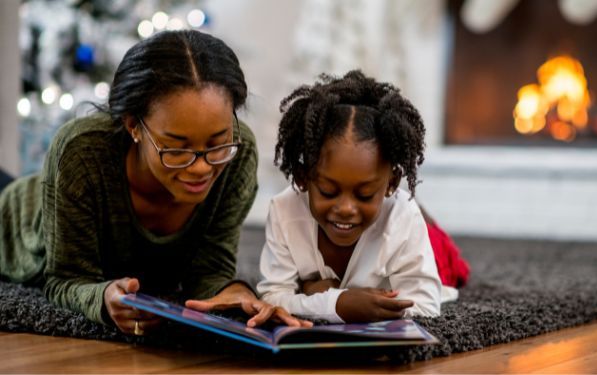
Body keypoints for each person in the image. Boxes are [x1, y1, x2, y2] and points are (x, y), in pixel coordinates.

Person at [0, 30, 310, 336]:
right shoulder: (81, 151)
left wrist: (237, 294)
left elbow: (210, 270)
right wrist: (103, 298)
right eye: (176, 148)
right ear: (133, 125)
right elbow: (65, 279)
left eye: (218, 143)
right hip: (14, 222)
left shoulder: (237, 155)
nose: (202, 167)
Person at [257, 70, 467, 323]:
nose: (346, 208)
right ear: (303, 178)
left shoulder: (402, 218)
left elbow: (425, 307)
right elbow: (271, 299)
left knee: (450, 266)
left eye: (364, 194)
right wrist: (338, 303)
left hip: (423, 243)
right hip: (389, 218)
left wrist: (314, 295)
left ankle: (425, 219)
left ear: (391, 183)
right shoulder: (284, 209)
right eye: (328, 191)